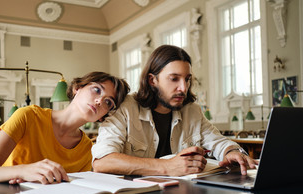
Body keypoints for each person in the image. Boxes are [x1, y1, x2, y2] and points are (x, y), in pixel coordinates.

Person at [92, 45, 258, 177]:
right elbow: (102, 162)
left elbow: (218, 142)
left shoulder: (192, 111)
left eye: (187, 79)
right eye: (174, 79)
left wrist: (232, 151)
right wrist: (167, 167)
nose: (183, 88)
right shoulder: (125, 108)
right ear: (152, 80)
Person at [0, 72, 130, 184]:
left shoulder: (89, 150)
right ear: (77, 88)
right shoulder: (27, 116)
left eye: (108, 102)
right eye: (97, 90)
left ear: (103, 116)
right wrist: (23, 170)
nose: (99, 101)